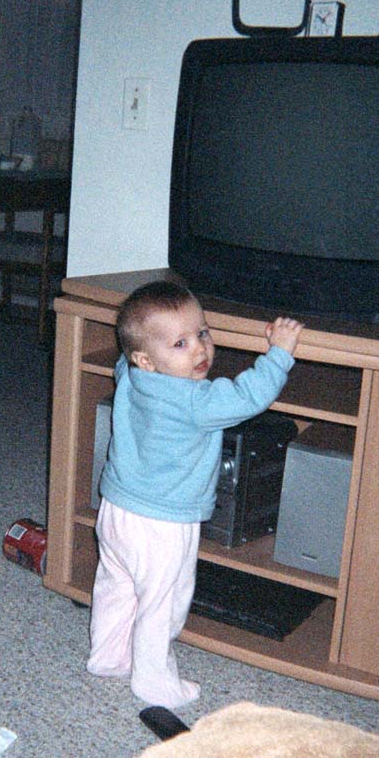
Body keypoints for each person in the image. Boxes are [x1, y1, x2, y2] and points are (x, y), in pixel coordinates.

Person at [87, 280, 303, 709]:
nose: (199, 350)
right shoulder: (195, 400)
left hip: (115, 510)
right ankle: (154, 683)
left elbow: (123, 361)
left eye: (202, 333)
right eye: (181, 343)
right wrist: (279, 354)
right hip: (164, 522)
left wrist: (153, 345)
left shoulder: (129, 375)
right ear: (148, 359)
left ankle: (107, 656)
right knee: (162, 602)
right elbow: (248, 396)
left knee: (117, 586)